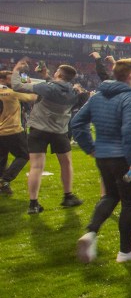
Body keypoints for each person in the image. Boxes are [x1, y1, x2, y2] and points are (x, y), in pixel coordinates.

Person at [71, 58, 131, 263]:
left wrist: (91, 148)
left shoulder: (97, 96)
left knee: (110, 196)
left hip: (104, 157)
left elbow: (77, 123)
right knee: (130, 203)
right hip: (126, 161)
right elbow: (129, 130)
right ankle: (126, 251)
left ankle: (90, 233)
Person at [11, 58, 82, 213]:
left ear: (59, 74)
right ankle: (68, 196)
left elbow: (18, 85)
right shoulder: (74, 91)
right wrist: (46, 76)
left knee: (36, 166)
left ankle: (33, 204)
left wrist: (17, 70)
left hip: (38, 130)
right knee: (66, 164)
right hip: (60, 131)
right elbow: (58, 87)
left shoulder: (46, 87)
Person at [0, 70, 37, 195]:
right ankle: (5, 180)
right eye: (11, 79)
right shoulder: (11, 93)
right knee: (24, 155)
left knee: (2, 158)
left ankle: (3, 187)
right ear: (2, 80)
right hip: (12, 130)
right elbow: (32, 97)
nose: (13, 81)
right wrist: (26, 79)